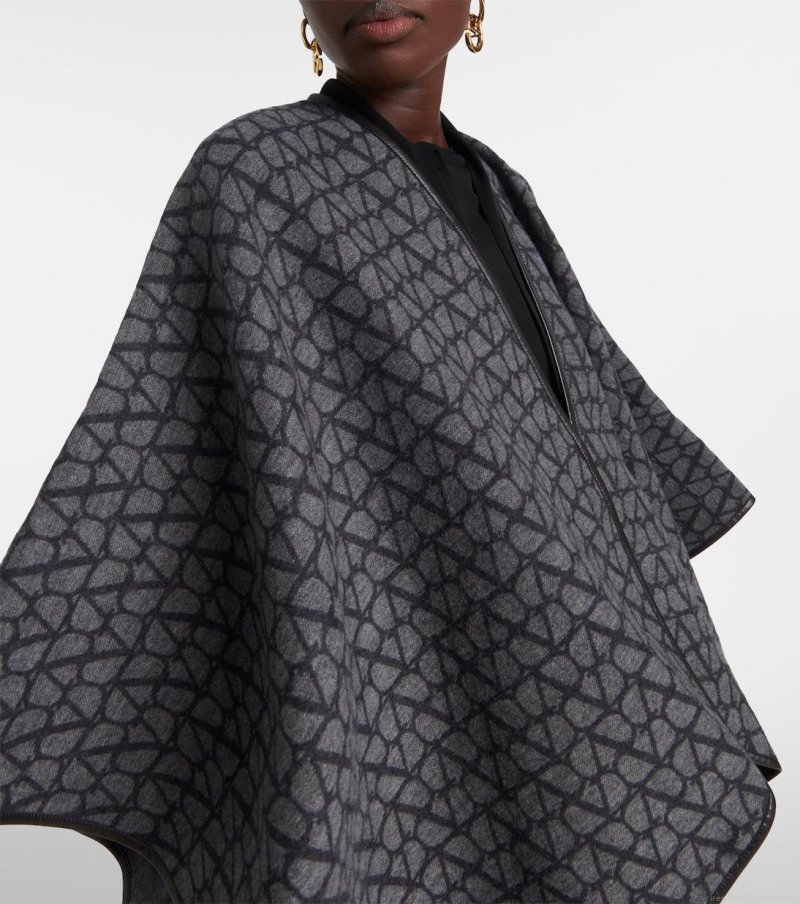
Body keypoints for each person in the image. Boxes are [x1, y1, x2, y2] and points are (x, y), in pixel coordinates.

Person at [0, 2, 781, 903]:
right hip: (373, 639)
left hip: (547, 623)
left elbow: (587, 424)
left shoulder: (500, 188)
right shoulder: (255, 171)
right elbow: (179, 428)